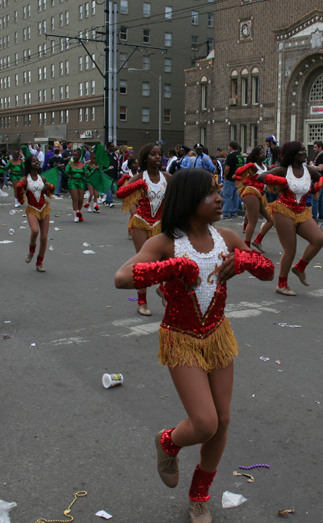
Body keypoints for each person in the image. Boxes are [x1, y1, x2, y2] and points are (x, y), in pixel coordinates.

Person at [114, 169, 273, 523]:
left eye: (219, 191)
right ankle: (168, 442)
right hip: (181, 338)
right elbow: (122, 277)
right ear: (188, 201)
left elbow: (267, 269)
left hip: (217, 336)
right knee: (204, 423)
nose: (220, 198)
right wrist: (172, 267)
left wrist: (244, 260)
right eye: (210, 194)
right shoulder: (165, 242)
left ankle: (199, 494)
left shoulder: (228, 237)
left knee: (224, 420)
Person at [257, 141, 323, 296]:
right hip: (284, 210)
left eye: (304, 150)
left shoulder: (308, 170)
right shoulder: (283, 170)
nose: (305, 152)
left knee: (319, 239)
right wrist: (281, 181)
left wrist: (318, 186)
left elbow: (320, 177)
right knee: (290, 249)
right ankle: (282, 285)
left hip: (302, 211)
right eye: (301, 150)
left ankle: (300, 268)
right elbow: (261, 177)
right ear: (293, 154)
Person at [116, 143, 172, 316]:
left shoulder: (168, 177)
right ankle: (142, 302)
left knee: (165, 261)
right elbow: (121, 193)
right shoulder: (140, 177)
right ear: (145, 158)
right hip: (141, 223)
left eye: (160, 154)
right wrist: (137, 186)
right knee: (143, 264)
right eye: (153, 154)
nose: (157, 157)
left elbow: (180, 194)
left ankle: (162, 288)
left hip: (161, 224)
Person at [15, 155, 55, 272]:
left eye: (37, 161)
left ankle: (40, 262)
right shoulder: (25, 180)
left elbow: (50, 189)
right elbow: (19, 190)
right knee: (35, 230)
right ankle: (31, 250)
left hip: (44, 208)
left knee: (44, 237)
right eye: (33, 161)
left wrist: (48, 188)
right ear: (28, 164)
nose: (36, 162)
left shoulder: (42, 178)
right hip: (32, 208)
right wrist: (21, 197)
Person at [234, 146, 274, 252]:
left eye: (264, 152)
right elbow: (237, 173)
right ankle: (245, 246)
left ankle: (257, 240)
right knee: (253, 221)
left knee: (271, 219)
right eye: (261, 153)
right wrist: (249, 166)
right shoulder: (253, 166)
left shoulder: (265, 167)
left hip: (261, 194)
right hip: (251, 193)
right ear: (256, 155)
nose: (263, 154)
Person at [65, 149, 91, 223]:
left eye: (75, 155)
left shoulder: (83, 165)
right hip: (72, 182)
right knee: (75, 199)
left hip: (81, 182)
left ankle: (79, 212)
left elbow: (87, 175)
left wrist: (93, 170)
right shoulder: (69, 164)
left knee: (81, 199)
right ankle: (76, 214)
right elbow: (66, 174)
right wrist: (61, 169)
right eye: (73, 155)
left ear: (79, 156)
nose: (74, 157)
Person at [221, 141, 243, 218]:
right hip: (238, 179)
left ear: (231, 147)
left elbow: (227, 167)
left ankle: (226, 213)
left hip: (230, 178)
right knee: (236, 196)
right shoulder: (240, 156)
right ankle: (234, 212)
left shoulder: (231, 156)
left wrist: (225, 175)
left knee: (227, 196)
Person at [310, 141, 323, 221]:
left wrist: (312, 166)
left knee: (315, 200)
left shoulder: (321, 156)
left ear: (320, 147)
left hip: (319, 181)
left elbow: (320, 168)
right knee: (321, 200)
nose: (313, 149)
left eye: (315, 147)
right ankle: (321, 216)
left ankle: (314, 218)